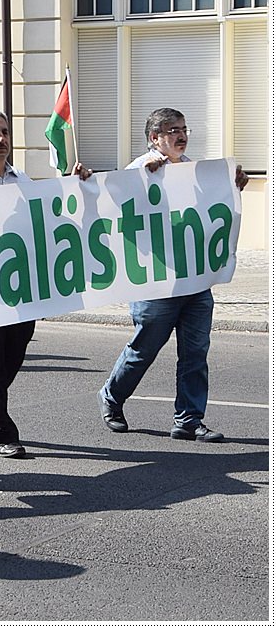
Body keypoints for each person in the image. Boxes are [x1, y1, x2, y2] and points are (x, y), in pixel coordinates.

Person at [0, 109, 92, 458]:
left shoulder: (21, 179)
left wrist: (75, 185)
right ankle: (3, 434)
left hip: (19, 286)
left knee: (12, 357)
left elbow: (48, 215)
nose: (1, 141)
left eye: (5, 133)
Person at [98, 107, 249, 443]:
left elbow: (212, 210)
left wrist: (232, 185)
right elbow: (111, 204)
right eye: (171, 130)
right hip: (156, 281)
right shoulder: (140, 168)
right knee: (143, 350)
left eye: (183, 128)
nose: (180, 135)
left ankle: (189, 420)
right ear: (155, 138)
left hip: (194, 279)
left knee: (195, 353)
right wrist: (141, 181)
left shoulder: (193, 170)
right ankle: (111, 397)